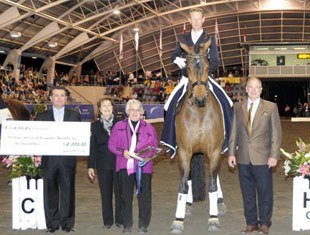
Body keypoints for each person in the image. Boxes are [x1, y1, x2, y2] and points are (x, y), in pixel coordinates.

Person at [161, 7, 233, 157]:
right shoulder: (182, 38)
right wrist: (178, 60)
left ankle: (228, 140)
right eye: (193, 19)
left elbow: (215, 61)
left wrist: (204, 69)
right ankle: (171, 141)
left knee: (227, 103)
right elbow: (174, 54)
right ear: (189, 20)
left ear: (203, 20)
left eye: (198, 19)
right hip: (187, 79)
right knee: (168, 105)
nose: (196, 22)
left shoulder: (209, 38)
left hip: (204, 78)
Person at [227, 77, 282, 234]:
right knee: (247, 192)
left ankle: (265, 222)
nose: (253, 90)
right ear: (246, 89)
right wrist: (231, 153)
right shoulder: (238, 107)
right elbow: (233, 132)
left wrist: (274, 155)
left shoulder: (271, 107)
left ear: (261, 89)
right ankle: (251, 222)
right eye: (250, 87)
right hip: (243, 157)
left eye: (256, 87)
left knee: (265, 192)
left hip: (263, 158)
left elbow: (276, 134)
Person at [108, 99, 158, 234]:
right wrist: (122, 152)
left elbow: (154, 147)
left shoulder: (149, 128)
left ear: (142, 112)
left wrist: (144, 156)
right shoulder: (118, 126)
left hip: (144, 167)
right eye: (132, 110)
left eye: (137, 110)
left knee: (145, 196)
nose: (135, 113)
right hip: (124, 165)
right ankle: (127, 224)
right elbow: (111, 145)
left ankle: (143, 224)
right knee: (125, 196)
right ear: (127, 112)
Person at [36, 86, 81, 233]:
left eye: (62, 95)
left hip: (68, 161)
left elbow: (80, 137)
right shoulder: (41, 116)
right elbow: (36, 138)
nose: (59, 98)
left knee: (68, 192)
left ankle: (67, 223)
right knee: (50, 192)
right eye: (56, 95)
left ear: (66, 99)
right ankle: (52, 223)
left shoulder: (74, 116)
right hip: (49, 161)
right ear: (50, 98)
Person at [87, 97, 122, 229]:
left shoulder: (121, 124)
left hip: (119, 164)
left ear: (113, 108)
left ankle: (120, 219)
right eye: (104, 106)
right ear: (99, 109)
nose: (107, 108)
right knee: (105, 194)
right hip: (103, 166)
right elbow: (92, 148)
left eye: (109, 105)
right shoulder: (94, 126)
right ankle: (108, 221)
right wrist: (90, 166)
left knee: (120, 194)